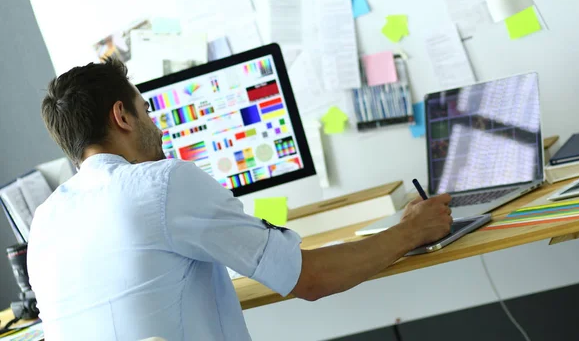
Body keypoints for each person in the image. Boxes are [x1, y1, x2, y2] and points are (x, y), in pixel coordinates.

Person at [28, 59, 452, 340]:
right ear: (122, 116)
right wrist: (412, 230)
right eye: (146, 110)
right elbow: (310, 279)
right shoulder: (161, 183)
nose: (156, 127)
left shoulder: (43, 225)